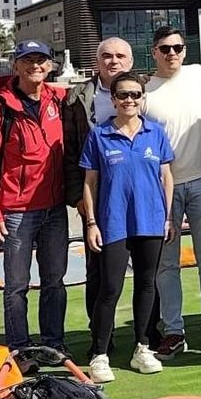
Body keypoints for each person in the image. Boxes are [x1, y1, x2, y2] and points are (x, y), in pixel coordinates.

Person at [0, 40, 68, 373]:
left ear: (50, 66)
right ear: (15, 66)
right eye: (27, 60)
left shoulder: (60, 100)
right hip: (17, 212)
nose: (35, 66)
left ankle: (53, 342)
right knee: (17, 285)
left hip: (54, 210)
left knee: (54, 281)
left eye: (41, 60)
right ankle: (20, 347)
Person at [142, 26, 201, 359]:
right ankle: (174, 331)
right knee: (167, 265)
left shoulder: (200, 75)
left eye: (178, 47)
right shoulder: (144, 92)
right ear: (154, 52)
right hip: (163, 188)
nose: (172, 54)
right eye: (165, 48)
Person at [79, 72, 174, 382]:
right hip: (113, 222)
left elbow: (166, 177)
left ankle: (143, 347)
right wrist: (92, 222)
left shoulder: (155, 133)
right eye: (123, 95)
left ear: (142, 98)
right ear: (114, 99)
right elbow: (90, 183)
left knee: (147, 284)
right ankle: (99, 353)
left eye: (135, 94)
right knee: (109, 289)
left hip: (150, 221)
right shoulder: (99, 135)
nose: (130, 100)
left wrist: (168, 217)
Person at [62, 38, 154, 353]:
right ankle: (102, 337)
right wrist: (80, 200)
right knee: (99, 274)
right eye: (106, 56)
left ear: (130, 60)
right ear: (96, 61)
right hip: (99, 200)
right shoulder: (77, 97)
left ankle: (148, 336)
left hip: (142, 200)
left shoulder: (146, 91)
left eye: (119, 56)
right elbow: (70, 151)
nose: (113, 61)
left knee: (147, 272)